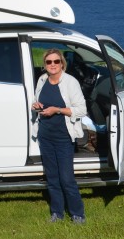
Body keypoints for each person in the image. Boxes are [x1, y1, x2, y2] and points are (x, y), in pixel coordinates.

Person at [31, 49, 88, 224]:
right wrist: (36, 105)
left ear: (62, 63)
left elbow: (81, 110)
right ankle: (57, 213)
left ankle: (77, 214)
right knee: (52, 177)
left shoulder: (70, 82)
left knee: (66, 178)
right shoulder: (42, 80)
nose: (53, 65)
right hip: (45, 135)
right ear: (45, 64)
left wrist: (57, 110)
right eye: (49, 62)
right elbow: (36, 101)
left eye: (56, 61)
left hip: (63, 137)